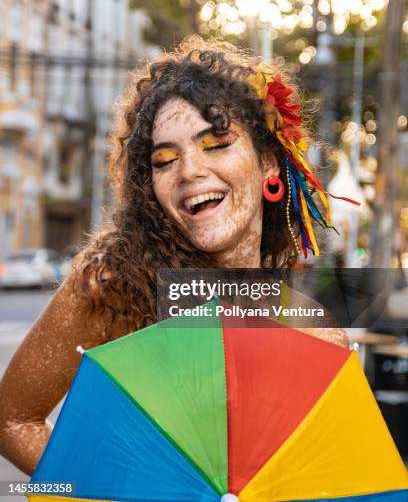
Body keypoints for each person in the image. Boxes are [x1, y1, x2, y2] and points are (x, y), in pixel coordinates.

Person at [0, 35, 350, 476]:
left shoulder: (318, 337)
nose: (189, 171)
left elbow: (326, 475)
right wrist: (110, 491)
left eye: (217, 144)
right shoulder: (114, 288)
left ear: (269, 163)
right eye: (164, 160)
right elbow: (13, 419)